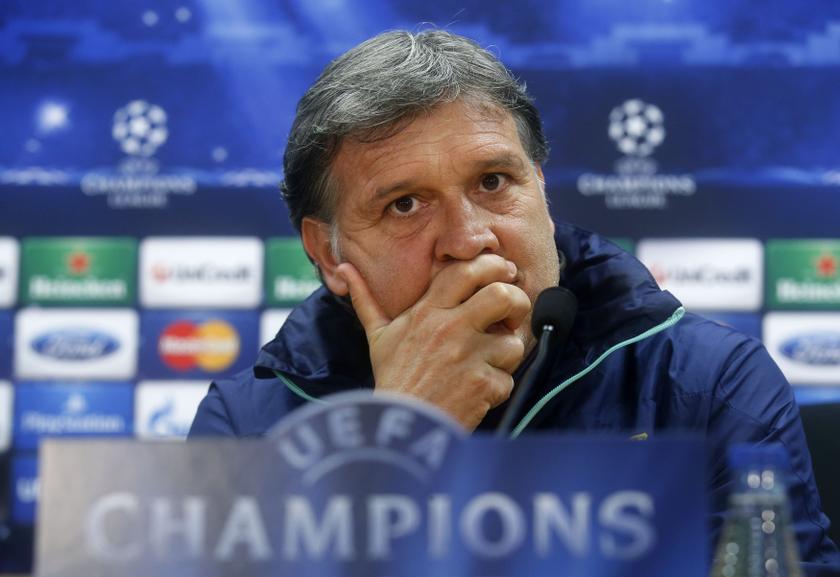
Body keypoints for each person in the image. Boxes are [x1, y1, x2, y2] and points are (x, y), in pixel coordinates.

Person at [189, 29, 839, 563]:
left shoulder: (706, 383)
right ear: (330, 252)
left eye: (494, 180)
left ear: (542, 188)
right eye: (405, 204)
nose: (469, 239)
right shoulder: (248, 426)